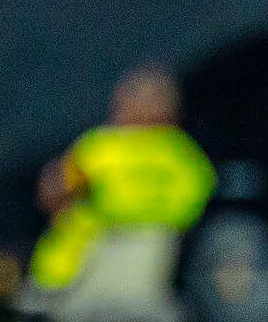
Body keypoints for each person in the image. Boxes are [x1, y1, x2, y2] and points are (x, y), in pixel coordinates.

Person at [29, 67, 215, 293]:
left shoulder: (102, 148)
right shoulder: (185, 154)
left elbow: (52, 193)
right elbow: (199, 201)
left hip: (79, 278)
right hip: (161, 274)